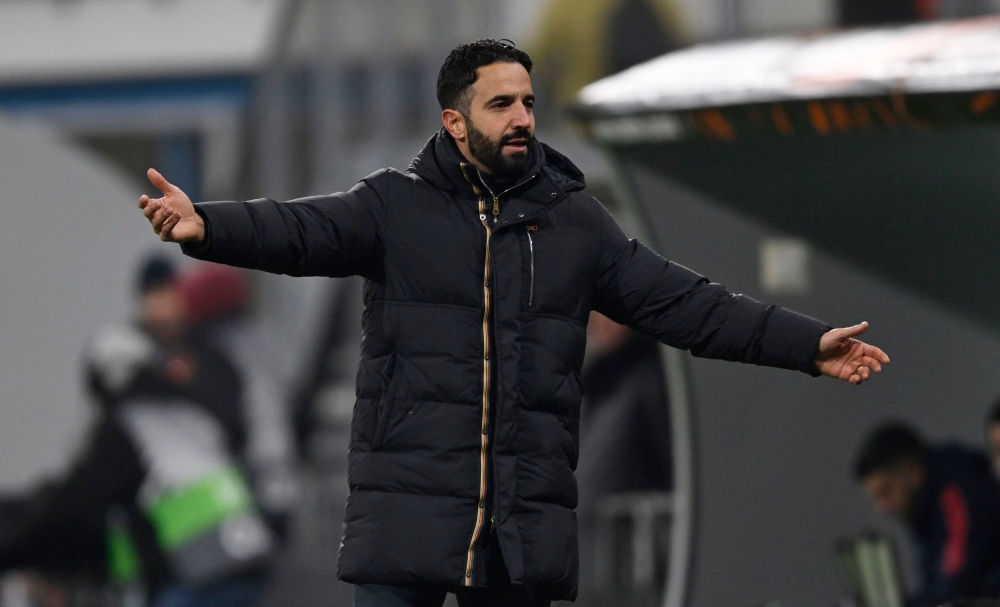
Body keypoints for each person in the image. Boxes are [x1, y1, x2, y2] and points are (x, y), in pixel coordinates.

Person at [138, 39, 890, 606]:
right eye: (502, 105)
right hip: (408, 524)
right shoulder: (393, 208)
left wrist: (805, 343)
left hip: (518, 536)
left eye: (528, 101)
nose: (524, 117)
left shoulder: (575, 223)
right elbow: (297, 231)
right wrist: (204, 224)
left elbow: (688, 305)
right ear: (455, 122)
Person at [855, 423, 1000, 605]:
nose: (882, 507)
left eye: (886, 491)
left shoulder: (956, 495)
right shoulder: (926, 509)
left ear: (913, 472)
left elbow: (957, 584)